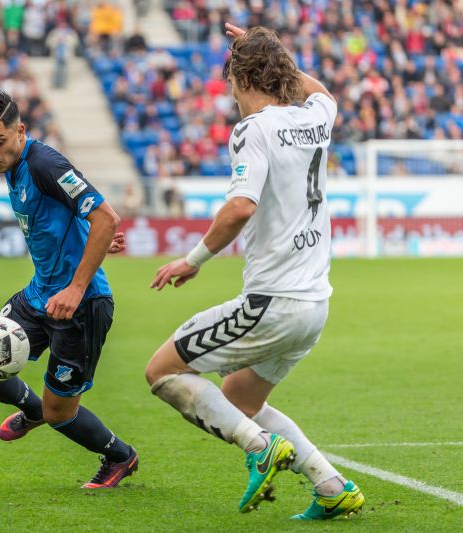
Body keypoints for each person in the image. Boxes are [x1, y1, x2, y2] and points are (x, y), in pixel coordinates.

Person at [144, 24, 365, 520]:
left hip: (273, 302)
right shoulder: (315, 117)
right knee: (238, 397)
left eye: (232, 84)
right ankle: (331, 486)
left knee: (161, 371)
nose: (232, 98)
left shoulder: (253, 129)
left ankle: (258, 448)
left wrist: (192, 260)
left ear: (243, 79)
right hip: (314, 306)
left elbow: (239, 208)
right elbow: (323, 92)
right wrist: (279, 56)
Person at [0, 91, 135, 488]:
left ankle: (120, 456)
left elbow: (106, 218)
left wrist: (76, 287)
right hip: (39, 295)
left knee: (63, 413)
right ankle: (34, 410)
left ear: (20, 131)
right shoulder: (11, 163)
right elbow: (69, 220)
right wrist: (88, 241)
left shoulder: (44, 164)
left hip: (82, 304)